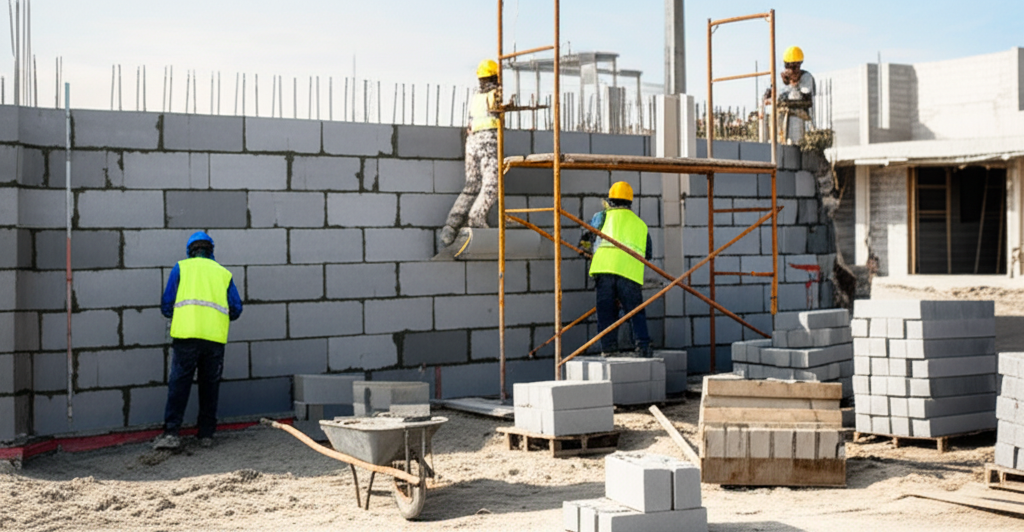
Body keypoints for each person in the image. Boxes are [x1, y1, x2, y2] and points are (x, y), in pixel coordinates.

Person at [153, 231, 243, 450]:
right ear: (211, 250)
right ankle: (206, 435)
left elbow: (167, 305)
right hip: (214, 339)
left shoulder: (181, 268)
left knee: (179, 385)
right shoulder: (223, 273)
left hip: (186, 338)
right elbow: (236, 309)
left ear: (190, 250)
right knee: (209, 386)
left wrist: (183, 316)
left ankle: (172, 433)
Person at [578, 182, 654, 358]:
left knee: (606, 311)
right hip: (629, 272)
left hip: (604, 269)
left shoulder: (602, 217)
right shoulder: (640, 225)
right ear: (630, 202)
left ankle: (609, 348)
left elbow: (586, 242)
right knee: (635, 311)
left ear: (610, 200)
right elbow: (648, 254)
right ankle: (643, 346)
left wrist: (587, 251)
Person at [440, 59, 502, 247]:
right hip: (488, 140)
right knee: (492, 184)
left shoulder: (476, 97)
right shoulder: (495, 94)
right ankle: (476, 217)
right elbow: (500, 110)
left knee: (472, 185)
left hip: (472, 141)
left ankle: (450, 227)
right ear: (495, 77)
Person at [763, 45, 815, 143]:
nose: (792, 70)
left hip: (798, 118)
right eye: (789, 66)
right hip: (781, 118)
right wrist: (770, 99)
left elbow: (807, 102)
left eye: (795, 67)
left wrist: (793, 84)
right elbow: (767, 96)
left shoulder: (806, 78)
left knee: (794, 126)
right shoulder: (779, 79)